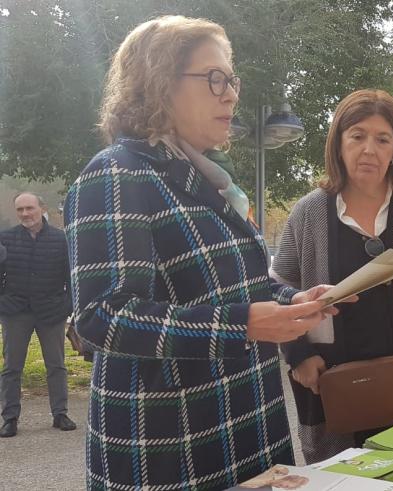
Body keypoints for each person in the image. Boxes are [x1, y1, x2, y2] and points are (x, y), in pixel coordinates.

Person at [65, 16, 334, 489]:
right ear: (158, 83)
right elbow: (103, 315)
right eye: (214, 79)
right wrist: (244, 323)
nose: (230, 94)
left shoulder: (205, 177)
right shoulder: (116, 175)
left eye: (231, 80)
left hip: (245, 429)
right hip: (171, 446)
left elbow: (238, 286)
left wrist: (294, 300)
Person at [271, 89, 393, 463]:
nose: (369, 149)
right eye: (357, 136)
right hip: (330, 387)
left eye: (382, 139)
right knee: (340, 479)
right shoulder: (310, 213)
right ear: (338, 143)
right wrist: (298, 354)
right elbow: (278, 290)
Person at [0, 192, 74, 438]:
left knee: (56, 365)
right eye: (20, 209)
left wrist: (68, 305)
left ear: (41, 207)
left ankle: (60, 414)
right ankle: (10, 418)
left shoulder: (61, 239)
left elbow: (70, 277)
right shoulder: (5, 239)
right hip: (15, 312)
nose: (25, 214)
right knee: (12, 367)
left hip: (51, 312)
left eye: (29, 208)